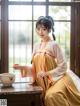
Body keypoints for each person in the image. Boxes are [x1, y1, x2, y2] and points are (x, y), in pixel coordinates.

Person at [13, 16, 80, 106]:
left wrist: (47, 73)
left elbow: (63, 66)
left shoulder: (54, 45)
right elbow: (35, 68)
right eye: (38, 29)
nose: (41, 32)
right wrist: (21, 67)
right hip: (43, 82)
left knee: (51, 96)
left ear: (49, 30)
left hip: (58, 79)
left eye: (44, 29)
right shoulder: (36, 46)